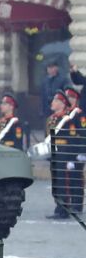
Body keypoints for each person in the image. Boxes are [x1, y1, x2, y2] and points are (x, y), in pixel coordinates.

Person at [46, 91, 83, 220]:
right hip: (55, 155)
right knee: (56, 183)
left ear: (62, 104)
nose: (53, 103)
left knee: (64, 183)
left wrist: (72, 158)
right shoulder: (51, 119)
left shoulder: (67, 121)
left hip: (64, 156)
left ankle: (64, 209)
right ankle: (58, 207)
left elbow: (73, 140)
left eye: (56, 101)